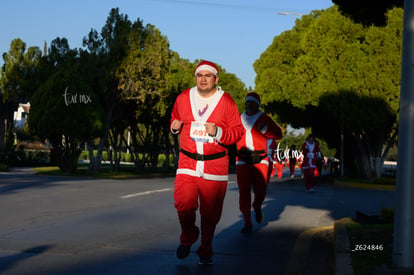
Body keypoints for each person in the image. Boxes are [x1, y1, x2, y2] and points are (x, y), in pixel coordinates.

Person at [170, 60, 244, 265]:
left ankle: (205, 248)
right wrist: (174, 127)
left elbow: (238, 131)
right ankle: (189, 235)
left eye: (208, 75)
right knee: (183, 203)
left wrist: (218, 132)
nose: (203, 79)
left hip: (215, 166)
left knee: (210, 215)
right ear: (195, 78)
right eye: (199, 75)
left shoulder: (226, 101)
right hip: (187, 162)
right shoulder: (184, 98)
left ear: (216, 79)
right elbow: (175, 118)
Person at [236, 92, 282, 233]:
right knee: (244, 192)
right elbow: (229, 135)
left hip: (260, 159)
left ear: (257, 104)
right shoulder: (238, 119)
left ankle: (257, 206)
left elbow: (278, 134)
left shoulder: (264, 119)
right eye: (247, 102)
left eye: (252, 102)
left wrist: (265, 129)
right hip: (242, 160)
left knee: (260, 190)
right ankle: (247, 222)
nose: (249, 105)